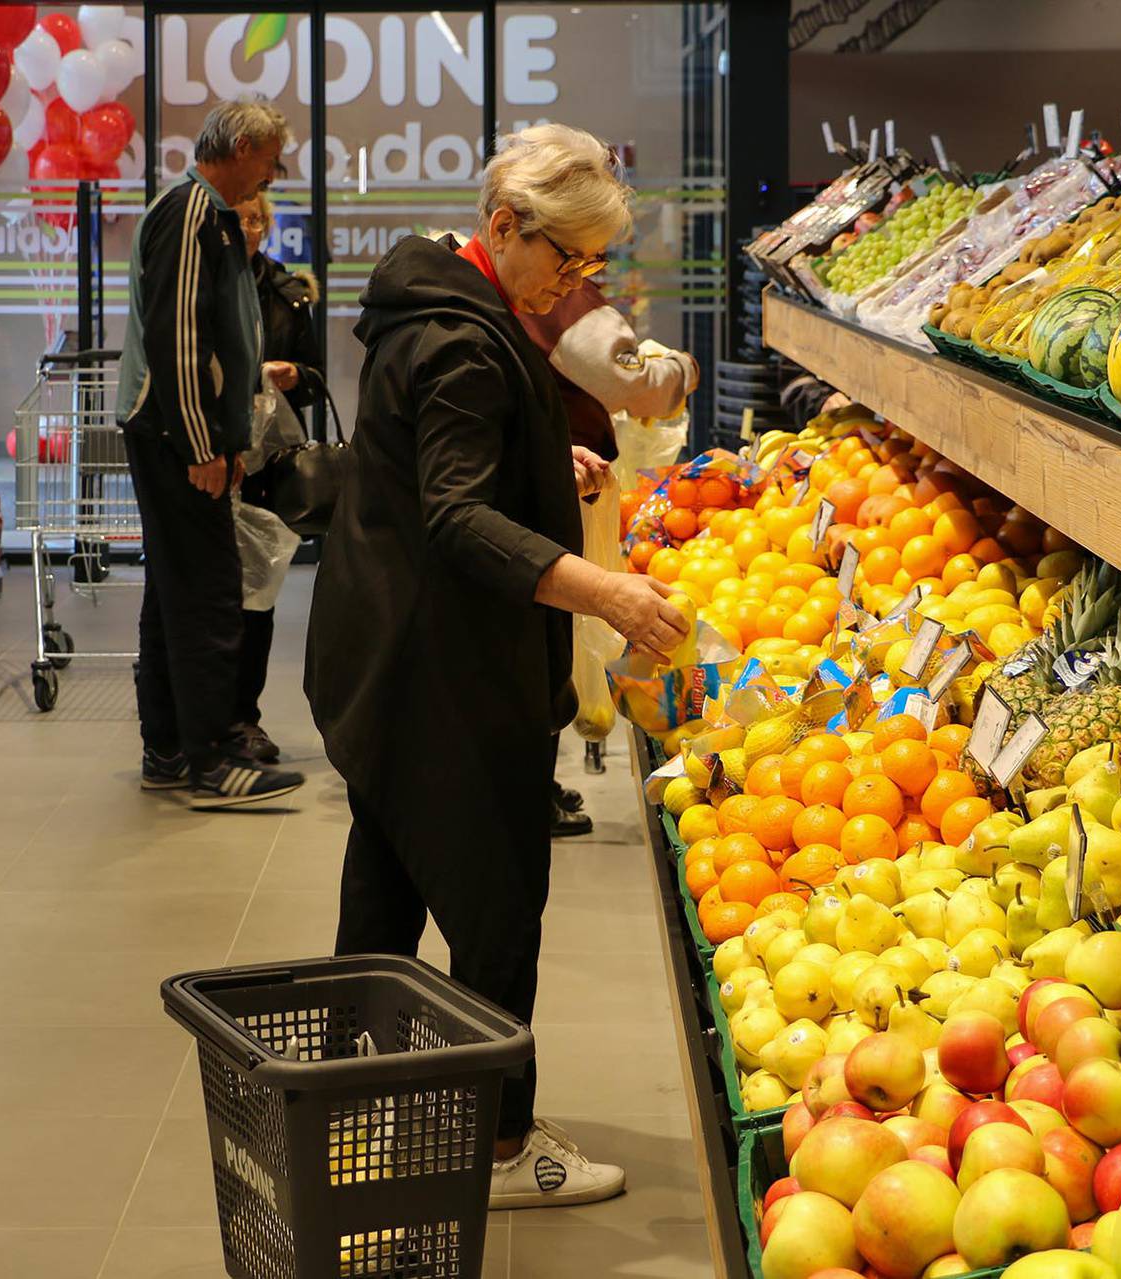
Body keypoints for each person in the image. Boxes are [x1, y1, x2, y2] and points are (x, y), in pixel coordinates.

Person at [307, 123, 686, 1209]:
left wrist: (540, 454)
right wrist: (606, 591)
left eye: (588, 266)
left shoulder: (443, 303)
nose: (574, 287)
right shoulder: (469, 338)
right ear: (505, 227)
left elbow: (445, 451)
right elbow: (460, 520)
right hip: (444, 668)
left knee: (383, 880)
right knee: (499, 905)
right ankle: (501, 1143)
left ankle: (344, 1097)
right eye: (564, 260)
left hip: (383, 648)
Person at [116, 98, 304, 809]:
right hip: (174, 436)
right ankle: (213, 758)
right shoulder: (193, 212)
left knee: (175, 594)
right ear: (243, 146)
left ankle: (167, 749)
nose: (272, 175)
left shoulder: (202, 214)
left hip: (174, 433)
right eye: (270, 160)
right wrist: (202, 443)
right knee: (208, 594)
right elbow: (178, 338)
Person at [520, 274, 699, 837]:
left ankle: (529, 784)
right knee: (544, 637)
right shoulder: (558, 299)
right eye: (578, 251)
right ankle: (524, 792)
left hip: (557, 480)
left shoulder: (529, 292)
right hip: (544, 502)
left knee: (545, 638)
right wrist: (683, 371)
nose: (584, 268)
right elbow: (639, 386)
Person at [230, 191, 323, 765]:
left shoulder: (286, 293)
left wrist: (296, 375)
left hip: (265, 466)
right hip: (208, 459)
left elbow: (315, 380)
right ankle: (200, 719)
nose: (248, 229)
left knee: (255, 597)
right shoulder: (204, 285)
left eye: (255, 219)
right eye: (238, 219)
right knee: (209, 597)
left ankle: (244, 717)